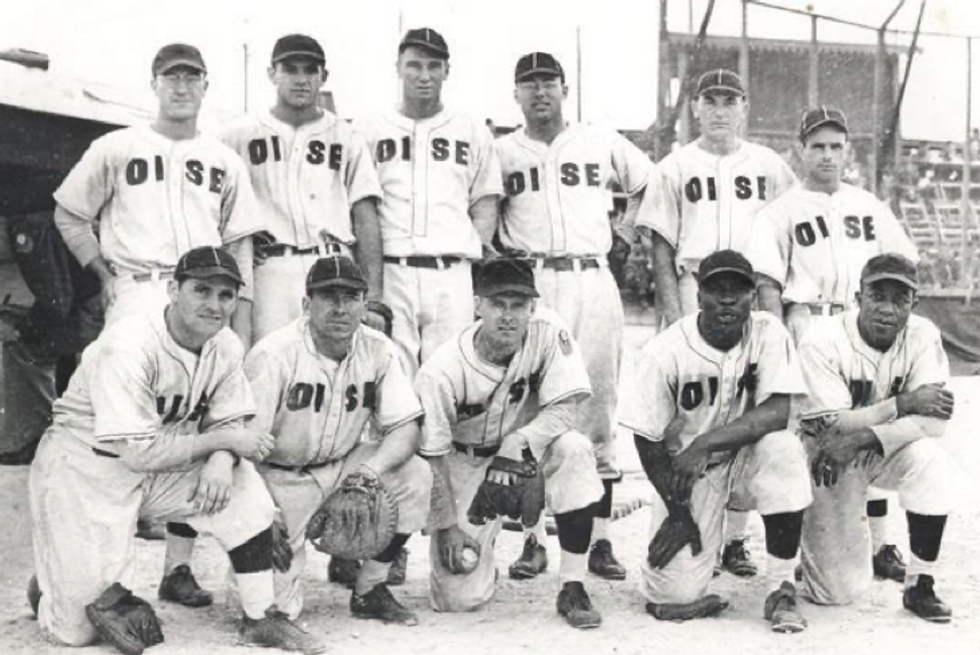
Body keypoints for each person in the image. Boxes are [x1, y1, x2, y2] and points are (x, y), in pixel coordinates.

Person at [27, 246, 324, 654]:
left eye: (225, 295)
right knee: (78, 632)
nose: (214, 305)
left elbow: (230, 422)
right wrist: (221, 443)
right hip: (84, 468)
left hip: (162, 462)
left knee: (245, 489)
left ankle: (262, 617)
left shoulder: (225, 345)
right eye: (201, 290)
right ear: (173, 290)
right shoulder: (127, 346)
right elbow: (138, 454)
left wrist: (221, 461)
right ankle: (54, 583)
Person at [51, 42, 263, 608]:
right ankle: (98, 568)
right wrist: (100, 272)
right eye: (171, 77)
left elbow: (240, 243)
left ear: (205, 85)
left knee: (197, 418)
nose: (181, 86)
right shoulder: (116, 146)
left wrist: (239, 319)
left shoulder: (223, 159)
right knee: (129, 432)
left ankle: (178, 567)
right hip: (139, 285)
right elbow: (69, 213)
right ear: (155, 84)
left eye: (192, 77)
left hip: (205, 291)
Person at [493, 52, 653, 581]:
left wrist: (625, 234)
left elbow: (648, 182)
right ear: (516, 93)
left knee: (597, 403)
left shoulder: (598, 139)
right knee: (529, 408)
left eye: (549, 82)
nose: (540, 91)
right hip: (532, 282)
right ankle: (533, 540)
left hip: (591, 276)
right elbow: (484, 210)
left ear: (565, 88)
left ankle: (601, 539)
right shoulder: (502, 152)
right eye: (529, 83)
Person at [634, 69, 797, 575]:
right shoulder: (674, 166)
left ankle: (737, 539)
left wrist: (774, 310)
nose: (720, 109)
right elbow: (662, 249)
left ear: (745, 107)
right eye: (711, 100)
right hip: (695, 286)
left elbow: (788, 231)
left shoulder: (769, 165)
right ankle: (683, 510)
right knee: (693, 412)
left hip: (752, 289)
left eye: (730, 100)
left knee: (748, 405)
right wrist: (673, 317)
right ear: (696, 107)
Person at [748, 107, 920, 582]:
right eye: (818, 146)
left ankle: (882, 545)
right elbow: (767, 283)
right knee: (813, 435)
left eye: (836, 147)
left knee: (872, 424)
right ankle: (803, 549)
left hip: (863, 323)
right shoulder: (780, 211)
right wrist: (777, 341)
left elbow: (905, 263)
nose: (827, 155)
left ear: (848, 152)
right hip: (809, 320)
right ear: (800, 150)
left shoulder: (868, 204)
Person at [620, 250, 812, 633]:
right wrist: (677, 512)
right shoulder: (665, 350)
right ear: (698, 296)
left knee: (785, 448)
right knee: (673, 595)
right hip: (691, 474)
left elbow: (777, 412)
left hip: (748, 459)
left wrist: (705, 443)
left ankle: (781, 588)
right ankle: (700, 556)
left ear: (752, 297)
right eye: (716, 289)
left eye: (736, 290)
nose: (727, 299)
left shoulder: (769, 332)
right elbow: (646, 438)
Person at [415, 258, 606, 629]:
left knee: (575, 450)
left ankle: (573, 584)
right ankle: (484, 553)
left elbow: (565, 408)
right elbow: (434, 456)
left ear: (532, 307)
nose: (508, 316)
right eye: (497, 304)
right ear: (477, 305)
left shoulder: (548, 331)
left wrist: (520, 441)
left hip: (523, 453)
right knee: (458, 599)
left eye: (518, 305)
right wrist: (447, 526)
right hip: (465, 461)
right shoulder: (441, 369)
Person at [243, 255, 431, 625]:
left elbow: (406, 427)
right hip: (278, 481)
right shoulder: (273, 354)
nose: (340, 308)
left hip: (343, 469)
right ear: (306, 303)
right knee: (273, 609)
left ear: (364, 304)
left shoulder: (377, 348)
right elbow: (242, 448)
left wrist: (369, 472)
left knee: (415, 475)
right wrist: (261, 513)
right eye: (329, 296)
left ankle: (370, 588)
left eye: (351, 297)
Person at [795, 253, 956, 623]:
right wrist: (904, 403)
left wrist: (865, 437)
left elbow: (935, 423)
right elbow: (833, 425)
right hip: (823, 449)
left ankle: (920, 583)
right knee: (835, 593)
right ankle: (819, 549)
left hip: (870, 445)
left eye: (900, 299)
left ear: (914, 304)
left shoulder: (923, 335)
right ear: (858, 297)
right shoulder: (822, 338)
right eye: (877, 296)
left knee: (931, 460)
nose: (887, 308)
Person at [219, 34, 387, 346]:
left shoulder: (347, 136)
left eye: (310, 70)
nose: (301, 79)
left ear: (323, 76)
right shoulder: (237, 135)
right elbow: (216, 208)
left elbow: (365, 216)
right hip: (271, 269)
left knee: (332, 359)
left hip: (333, 259)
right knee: (266, 357)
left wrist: (373, 296)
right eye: (290, 69)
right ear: (272, 74)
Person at [356, 27, 502, 379]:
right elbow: (361, 208)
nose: (424, 75)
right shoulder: (369, 127)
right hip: (392, 270)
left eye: (434, 66)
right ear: (398, 68)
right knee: (392, 376)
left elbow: (485, 200)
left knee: (450, 376)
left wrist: (476, 251)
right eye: (414, 65)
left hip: (451, 271)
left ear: (446, 71)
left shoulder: (471, 128)